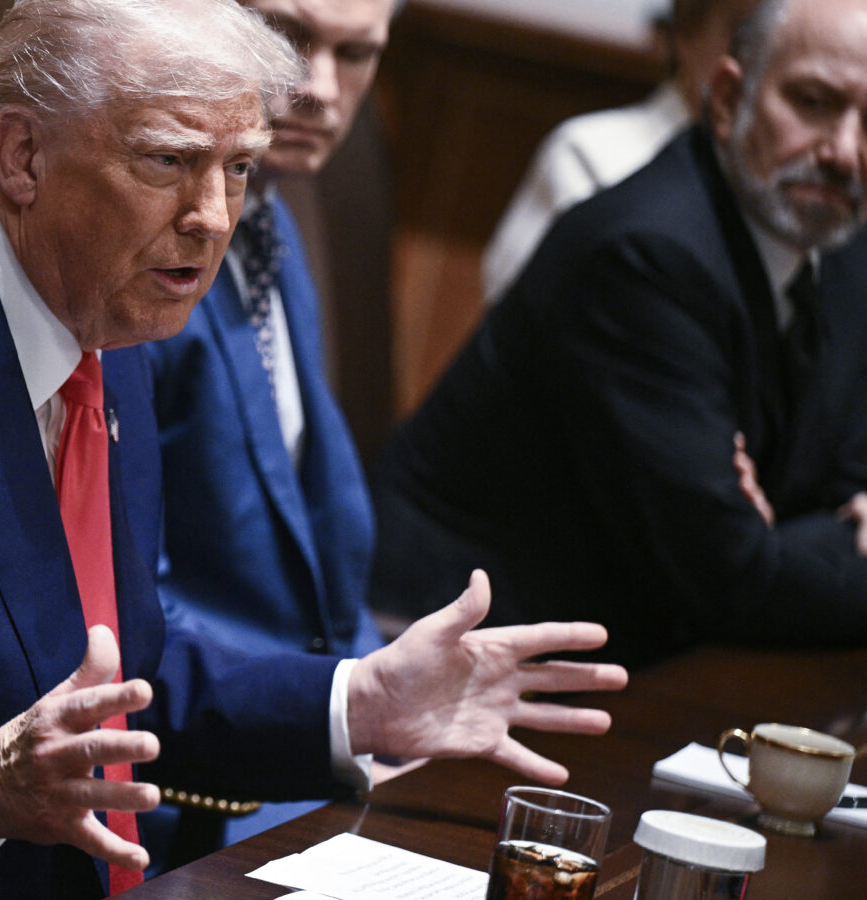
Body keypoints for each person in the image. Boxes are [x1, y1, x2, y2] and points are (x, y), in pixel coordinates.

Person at [0, 1, 627, 897]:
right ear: (20, 157)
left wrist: (354, 703)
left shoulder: (103, 313)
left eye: (236, 168)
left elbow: (115, 664)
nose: (214, 217)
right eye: (167, 162)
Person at [370, 0, 867, 667]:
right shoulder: (645, 255)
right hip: (452, 655)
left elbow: (843, 474)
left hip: (636, 655)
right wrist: (794, 537)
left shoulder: (840, 246)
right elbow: (732, 576)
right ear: (726, 98)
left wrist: (781, 533)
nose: (843, 151)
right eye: (812, 101)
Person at [142, 0, 394, 859]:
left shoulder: (272, 222)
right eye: (290, 38)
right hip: (187, 787)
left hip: (310, 742)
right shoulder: (145, 252)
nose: (320, 87)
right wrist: (340, 705)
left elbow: (320, 568)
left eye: (356, 52)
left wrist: (385, 696)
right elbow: (106, 591)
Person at [481, 0, 763, 303]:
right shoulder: (591, 155)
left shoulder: (795, 184)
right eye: (749, 36)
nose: (768, 62)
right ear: (686, 34)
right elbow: (521, 317)